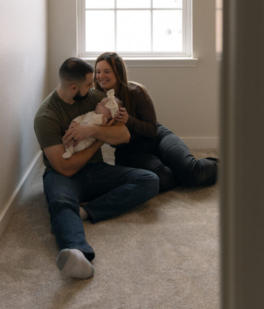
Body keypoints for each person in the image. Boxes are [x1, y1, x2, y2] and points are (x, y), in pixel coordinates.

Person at [34, 58, 159, 280]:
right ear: (74, 88)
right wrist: (100, 140)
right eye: (89, 84)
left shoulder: (94, 98)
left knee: (149, 180)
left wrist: (92, 132)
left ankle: (86, 212)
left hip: (97, 170)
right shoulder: (46, 117)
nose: (95, 87)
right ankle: (77, 253)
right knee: (61, 203)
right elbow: (65, 167)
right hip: (62, 175)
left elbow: (124, 135)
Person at [94, 52, 218, 193]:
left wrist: (129, 120)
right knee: (162, 180)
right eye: (98, 72)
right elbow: (109, 138)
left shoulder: (136, 92)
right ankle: (176, 170)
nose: (101, 76)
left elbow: (152, 129)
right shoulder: (97, 101)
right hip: (130, 150)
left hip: (157, 137)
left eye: (106, 71)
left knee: (191, 171)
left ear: (119, 73)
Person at [63, 94, 122, 159]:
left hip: (85, 140)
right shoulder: (93, 112)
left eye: (101, 105)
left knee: (79, 146)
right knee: (67, 138)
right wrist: (75, 122)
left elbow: (92, 128)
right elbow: (83, 116)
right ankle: (68, 150)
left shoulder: (102, 121)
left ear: (109, 114)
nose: (98, 103)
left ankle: (70, 152)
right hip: (77, 130)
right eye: (100, 102)